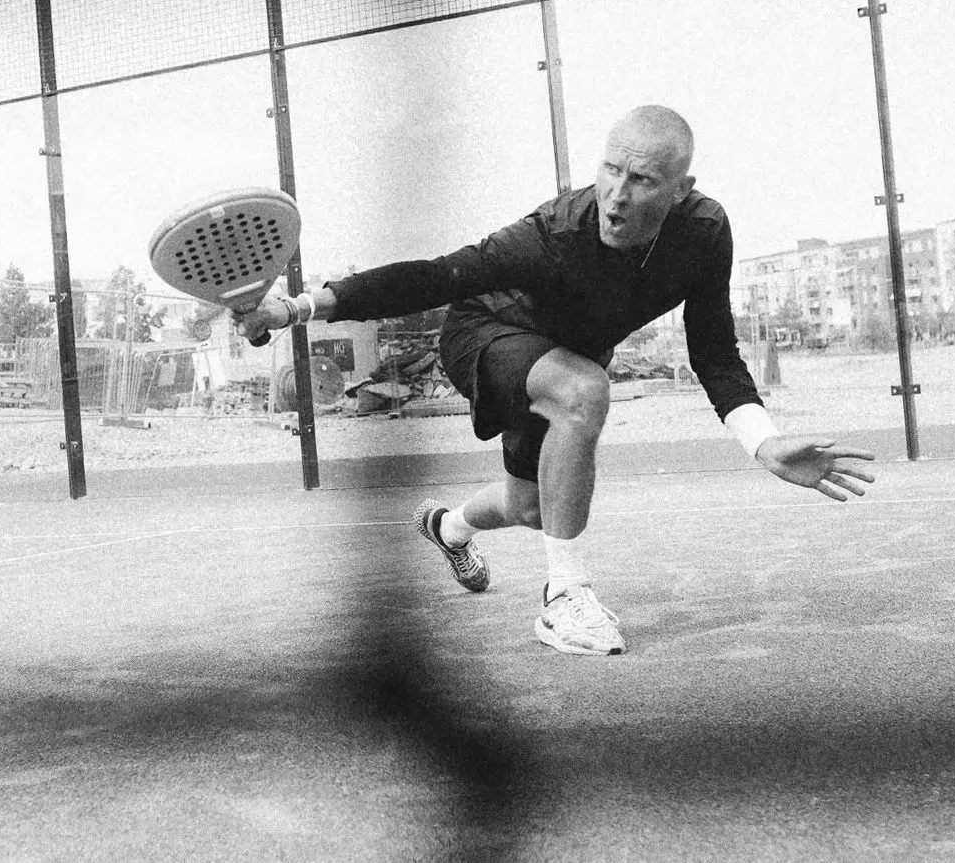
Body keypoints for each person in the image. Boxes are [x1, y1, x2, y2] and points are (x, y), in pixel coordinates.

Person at [235, 105, 877, 656]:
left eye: (642, 179)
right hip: (486, 338)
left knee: (531, 505)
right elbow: (434, 277)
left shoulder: (704, 234)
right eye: (610, 169)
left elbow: (713, 350)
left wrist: (763, 443)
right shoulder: (552, 234)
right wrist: (295, 309)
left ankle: (448, 527)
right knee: (583, 390)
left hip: (564, 355)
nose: (617, 195)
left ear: (681, 189)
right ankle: (564, 597)